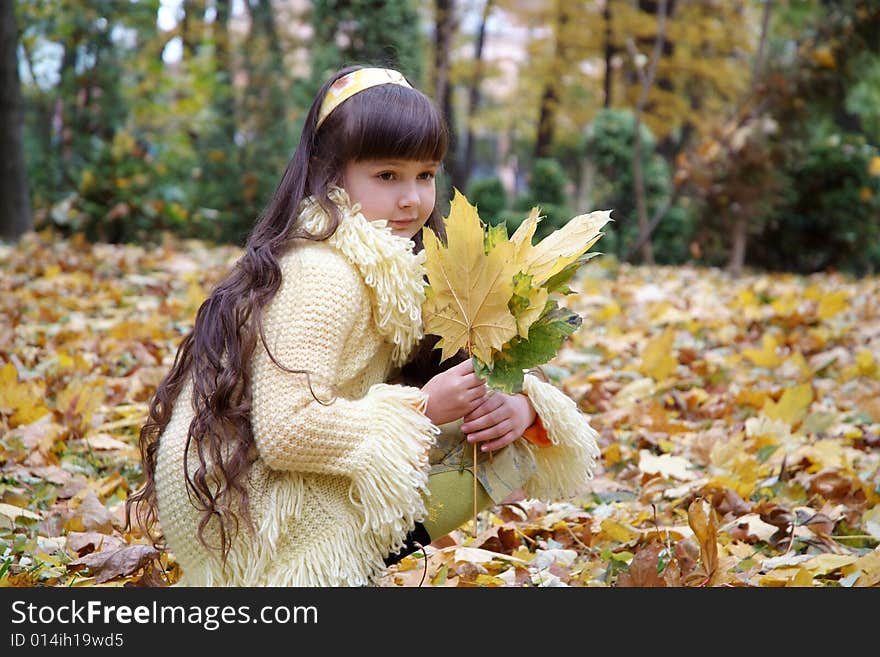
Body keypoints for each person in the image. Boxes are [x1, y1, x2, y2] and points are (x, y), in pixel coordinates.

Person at [126, 65, 601, 587]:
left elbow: (451, 376)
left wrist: (517, 405)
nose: (412, 199)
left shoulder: (392, 267)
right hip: (248, 511)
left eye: (425, 174)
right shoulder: (322, 274)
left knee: (503, 434)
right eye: (386, 176)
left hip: (269, 483)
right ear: (328, 172)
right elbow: (286, 431)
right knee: (449, 439)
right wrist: (423, 408)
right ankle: (296, 578)